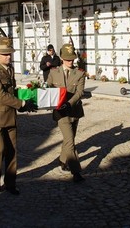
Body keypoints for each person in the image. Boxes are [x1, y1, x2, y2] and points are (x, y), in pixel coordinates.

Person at [0, 36, 37, 195]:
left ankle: (10, 182)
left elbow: (11, 92)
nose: (8, 56)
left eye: (10, 54)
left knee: (12, 151)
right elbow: (0, 95)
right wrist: (20, 104)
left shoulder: (10, 69)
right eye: (5, 54)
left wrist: (25, 99)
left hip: (10, 116)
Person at [46, 42, 86, 183]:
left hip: (74, 111)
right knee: (70, 140)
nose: (70, 61)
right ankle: (76, 172)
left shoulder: (79, 73)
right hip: (60, 112)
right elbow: (48, 88)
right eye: (68, 59)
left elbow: (80, 92)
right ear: (62, 58)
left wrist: (69, 103)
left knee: (70, 140)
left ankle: (62, 160)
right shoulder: (53, 72)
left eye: (72, 59)